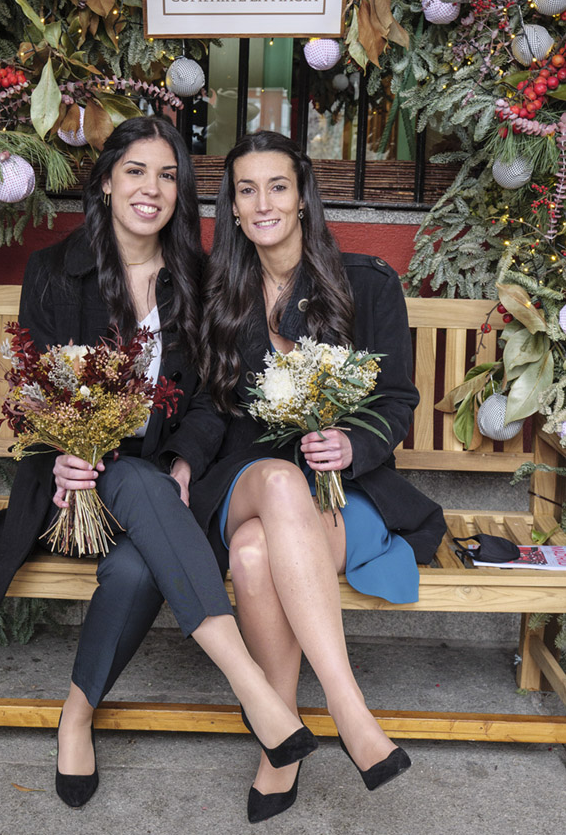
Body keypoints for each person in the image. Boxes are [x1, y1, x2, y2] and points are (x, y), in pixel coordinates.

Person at [0, 117, 317, 810]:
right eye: (135, 171)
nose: (151, 188)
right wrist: (61, 457)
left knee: (135, 561)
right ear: (104, 182)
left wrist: (186, 458)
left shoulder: (200, 279)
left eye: (167, 174)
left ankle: (75, 715)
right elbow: (37, 394)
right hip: (75, 495)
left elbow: (218, 400)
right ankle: (254, 691)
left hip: (166, 503)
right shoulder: (56, 273)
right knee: (123, 475)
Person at [192, 130, 446, 823]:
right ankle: (347, 705)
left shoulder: (364, 283)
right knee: (274, 483)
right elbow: (208, 408)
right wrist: (185, 463)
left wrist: (349, 444)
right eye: (246, 190)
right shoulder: (218, 291)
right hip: (244, 482)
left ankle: (281, 741)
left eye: (277, 185)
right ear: (234, 208)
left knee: (253, 555)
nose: (263, 202)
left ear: (302, 197)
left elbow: (394, 400)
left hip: (342, 492)